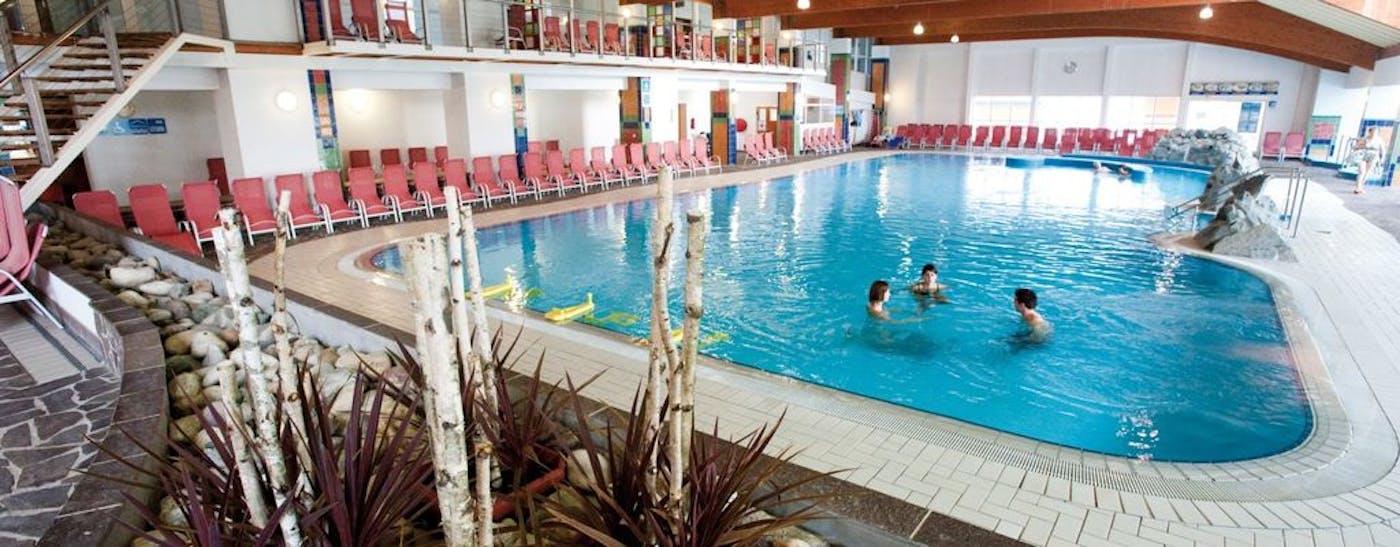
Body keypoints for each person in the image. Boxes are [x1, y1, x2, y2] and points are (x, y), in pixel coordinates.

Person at [1350, 127, 1386, 194]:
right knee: (1362, 171)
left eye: (1376, 132)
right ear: (1369, 132)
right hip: (1363, 155)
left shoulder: (1379, 140)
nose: (1374, 133)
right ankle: (1357, 188)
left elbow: (1382, 150)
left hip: (1373, 156)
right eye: (1373, 131)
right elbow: (1354, 147)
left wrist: (1382, 159)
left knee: (1367, 172)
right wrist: (1362, 146)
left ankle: (1361, 187)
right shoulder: (1365, 139)